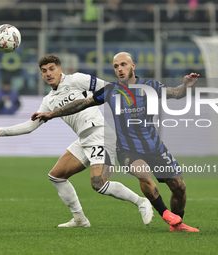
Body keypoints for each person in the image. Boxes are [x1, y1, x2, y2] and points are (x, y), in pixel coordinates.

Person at [32, 52, 200, 232]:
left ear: (133, 65)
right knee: (143, 174)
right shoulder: (111, 90)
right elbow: (81, 103)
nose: (120, 69)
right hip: (127, 150)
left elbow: (175, 93)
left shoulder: (150, 86)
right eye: (116, 66)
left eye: (123, 65)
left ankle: (177, 224)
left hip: (155, 147)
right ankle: (166, 214)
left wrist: (185, 86)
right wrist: (51, 114)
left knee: (179, 187)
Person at [0, 54, 154, 228]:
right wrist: (1, 131)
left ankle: (141, 202)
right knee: (56, 176)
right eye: (44, 71)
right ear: (41, 75)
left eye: (52, 69)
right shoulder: (48, 100)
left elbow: (110, 89)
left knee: (98, 183)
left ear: (60, 69)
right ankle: (80, 219)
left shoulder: (77, 79)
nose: (48, 73)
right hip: (84, 139)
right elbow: (30, 126)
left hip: (100, 133)